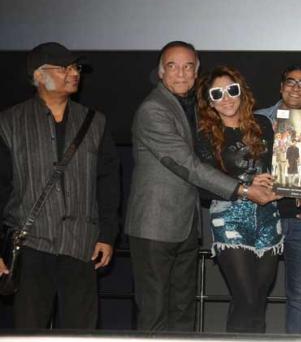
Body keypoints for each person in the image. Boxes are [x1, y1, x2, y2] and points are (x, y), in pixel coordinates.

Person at [125, 41, 275, 331]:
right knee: (154, 311)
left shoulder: (194, 108)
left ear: (196, 73)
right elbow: (187, 164)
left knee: (183, 309)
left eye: (188, 67)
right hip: (154, 224)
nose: (181, 73)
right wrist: (245, 189)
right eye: (173, 66)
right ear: (160, 72)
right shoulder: (153, 109)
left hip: (186, 222)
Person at [0, 42, 120, 329]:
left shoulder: (95, 122)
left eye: (75, 67)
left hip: (81, 246)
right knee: (29, 331)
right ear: (38, 75)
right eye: (64, 68)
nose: (74, 73)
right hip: (31, 247)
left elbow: (108, 182)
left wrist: (107, 234)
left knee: (80, 332)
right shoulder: (9, 123)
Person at [196, 65, 282, 333]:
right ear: (210, 102)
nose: (226, 98)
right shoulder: (204, 135)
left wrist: (286, 187)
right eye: (217, 94)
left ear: (241, 92)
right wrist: (245, 186)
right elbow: (202, 185)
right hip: (230, 217)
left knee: (258, 299)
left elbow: (280, 168)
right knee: (246, 298)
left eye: (231, 90)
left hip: (269, 216)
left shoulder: (262, 125)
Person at [256, 64, 301, 334]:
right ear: (281, 87)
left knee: (299, 295)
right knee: (254, 291)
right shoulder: (258, 119)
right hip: (263, 217)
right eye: (291, 82)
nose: (296, 88)